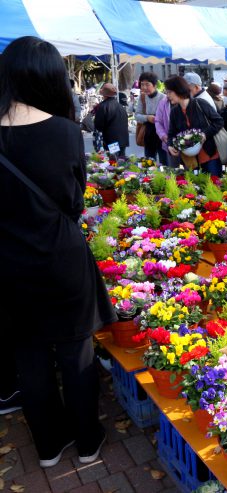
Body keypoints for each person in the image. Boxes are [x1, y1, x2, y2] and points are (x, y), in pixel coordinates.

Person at [0, 35, 115, 468]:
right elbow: (74, 202)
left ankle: (48, 447)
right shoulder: (65, 132)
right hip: (61, 259)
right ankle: (88, 441)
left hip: (9, 265)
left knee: (28, 354)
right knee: (75, 352)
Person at [166, 75, 224, 176]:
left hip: (209, 155)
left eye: (169, 92)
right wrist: (170, 145)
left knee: (214, 187)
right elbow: (171, 133)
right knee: (195, 189)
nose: (167, 95)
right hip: (190, 160)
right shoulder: (174, 112)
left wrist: (205, 134)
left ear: (178, 90)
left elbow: (219, 121)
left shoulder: (200, 103)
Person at [134, 72, 167, 164]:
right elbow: (137, 115)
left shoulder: (164, 98)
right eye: (142, 84)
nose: (144, 87)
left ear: (155, 85)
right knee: (149, 162)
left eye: (147, 84)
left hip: (162, 134)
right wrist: (147, 118)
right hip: (148, 132)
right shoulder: (142, 97)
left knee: (164, 162)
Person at [94, 83, 129, 157]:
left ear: (104, 95)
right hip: (123, 140)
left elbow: (98, 125)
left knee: (113, 164)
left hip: (112, 141)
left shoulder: (103, 106)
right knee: (121, 162)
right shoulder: (120, 106)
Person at [154, 95, 177, 167]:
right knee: (173, 170)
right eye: (167, 91)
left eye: (170, 91)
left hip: (186, 143)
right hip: (169, 142)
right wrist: (162, 135)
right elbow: (158, 121)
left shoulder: (185, 101)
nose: (168, 94)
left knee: (189, 170)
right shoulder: (163, 102)